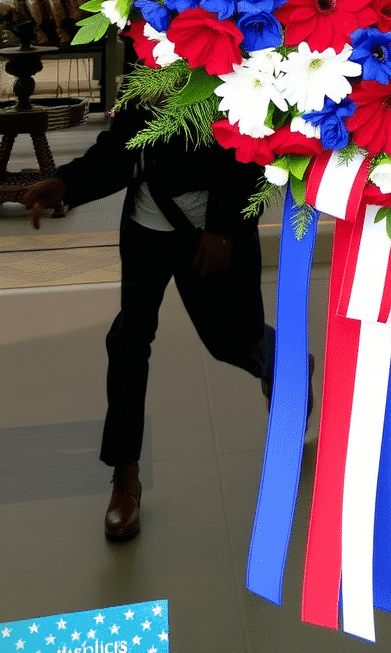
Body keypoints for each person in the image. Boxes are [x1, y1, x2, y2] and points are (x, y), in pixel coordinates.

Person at [24, 96, 277, 543]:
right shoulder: (148, 53)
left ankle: (279, 364)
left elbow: (255, 149)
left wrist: (226, 228)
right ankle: (125, 475)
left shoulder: (236, 50)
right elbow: (122, 146)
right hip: (145, 230)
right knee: (128, 342)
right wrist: (66, 183)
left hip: (215, 235)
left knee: (231, 340)